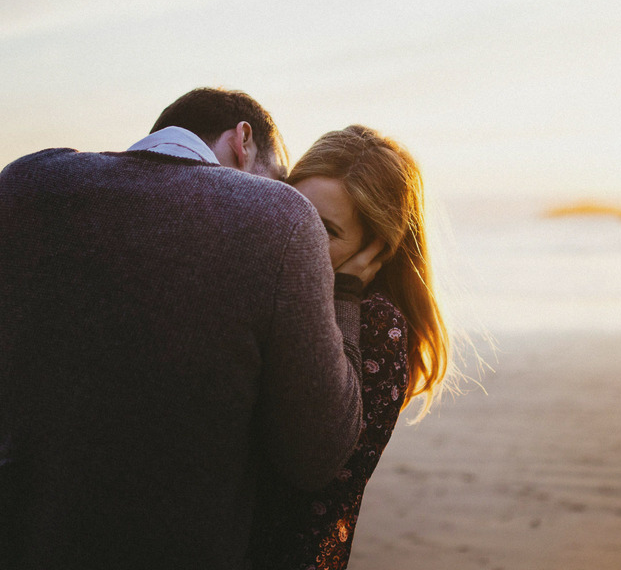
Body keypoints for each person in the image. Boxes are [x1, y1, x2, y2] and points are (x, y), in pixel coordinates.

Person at [0, 88, 380, 570]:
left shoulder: (26, 182)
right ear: (243, 140)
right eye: (279, 179)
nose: (280, 192)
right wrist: (345, 294)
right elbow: (318, 455)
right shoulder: (277, 215)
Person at [249, 125, 453, 569]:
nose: (299, 237)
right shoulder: (276, 292)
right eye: (295, 211)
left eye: (326, 229)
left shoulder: (378, 326)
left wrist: (344, 296)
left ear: (376, 249)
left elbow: (318, 472)